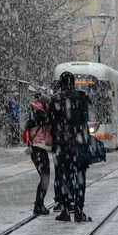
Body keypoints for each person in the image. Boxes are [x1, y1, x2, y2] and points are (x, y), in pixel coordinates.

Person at [49, 71, 92, 222]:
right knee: (79, 177)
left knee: (63, 178)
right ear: (73, 83)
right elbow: (85, 121)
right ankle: (79, 211)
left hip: (61, 146)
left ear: (60, 84)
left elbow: (52, 124)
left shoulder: (54, 99)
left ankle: (65, 210)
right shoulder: (82, 97)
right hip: (78, 145)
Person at [26, 92, 51, 216]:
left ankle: (39, 204)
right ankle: (38, 205)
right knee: (45, 178)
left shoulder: (35, 114)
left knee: (44, 178)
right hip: (38, 148)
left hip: (36, 149)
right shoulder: (40, 115)